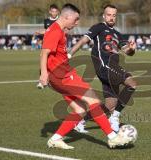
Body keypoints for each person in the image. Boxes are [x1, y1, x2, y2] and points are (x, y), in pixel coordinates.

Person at [39, 3, 131, 149]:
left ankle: (56, 139)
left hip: (60, 75)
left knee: (80, 110)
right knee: (93, 100)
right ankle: (112, 137)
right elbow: (44, 52)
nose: (76, 23)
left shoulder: (59, 30)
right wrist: (44, 73)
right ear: (66, 16)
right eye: (75, 19)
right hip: (62, 75)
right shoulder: (55, 30)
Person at [68, 4, 137, 133]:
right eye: (109, 15)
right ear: (104, 16)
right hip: (105, 66)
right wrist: (69, 54)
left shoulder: (117, 34)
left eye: (114, 15)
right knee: (132, 84)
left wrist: (132, 49)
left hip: (113, 68)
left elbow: (127, 51)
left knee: (110, 105)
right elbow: (83, 41)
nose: (111, 17)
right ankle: (115, 118)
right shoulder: (98, 28)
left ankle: (80, 122)